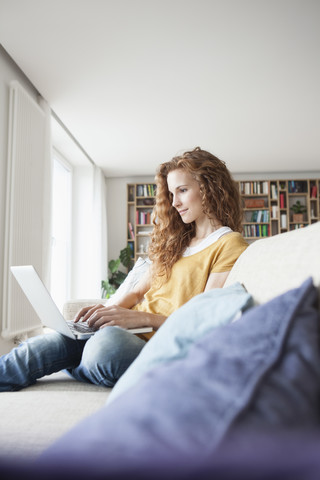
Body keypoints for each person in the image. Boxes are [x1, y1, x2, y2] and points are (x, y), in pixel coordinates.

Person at [0, 147, 248, 392]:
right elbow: (137, 294)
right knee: (43, 345)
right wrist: (105, 313)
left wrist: (143, 319)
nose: (175, 203)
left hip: (156, 345)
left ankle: (76, 363)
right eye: (172, 193)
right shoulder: (177, 244)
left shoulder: (228, 244)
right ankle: (76, 360)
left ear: (211, 187)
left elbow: (203, 322)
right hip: (126, 332)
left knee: (106, 348)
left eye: (182, 190)